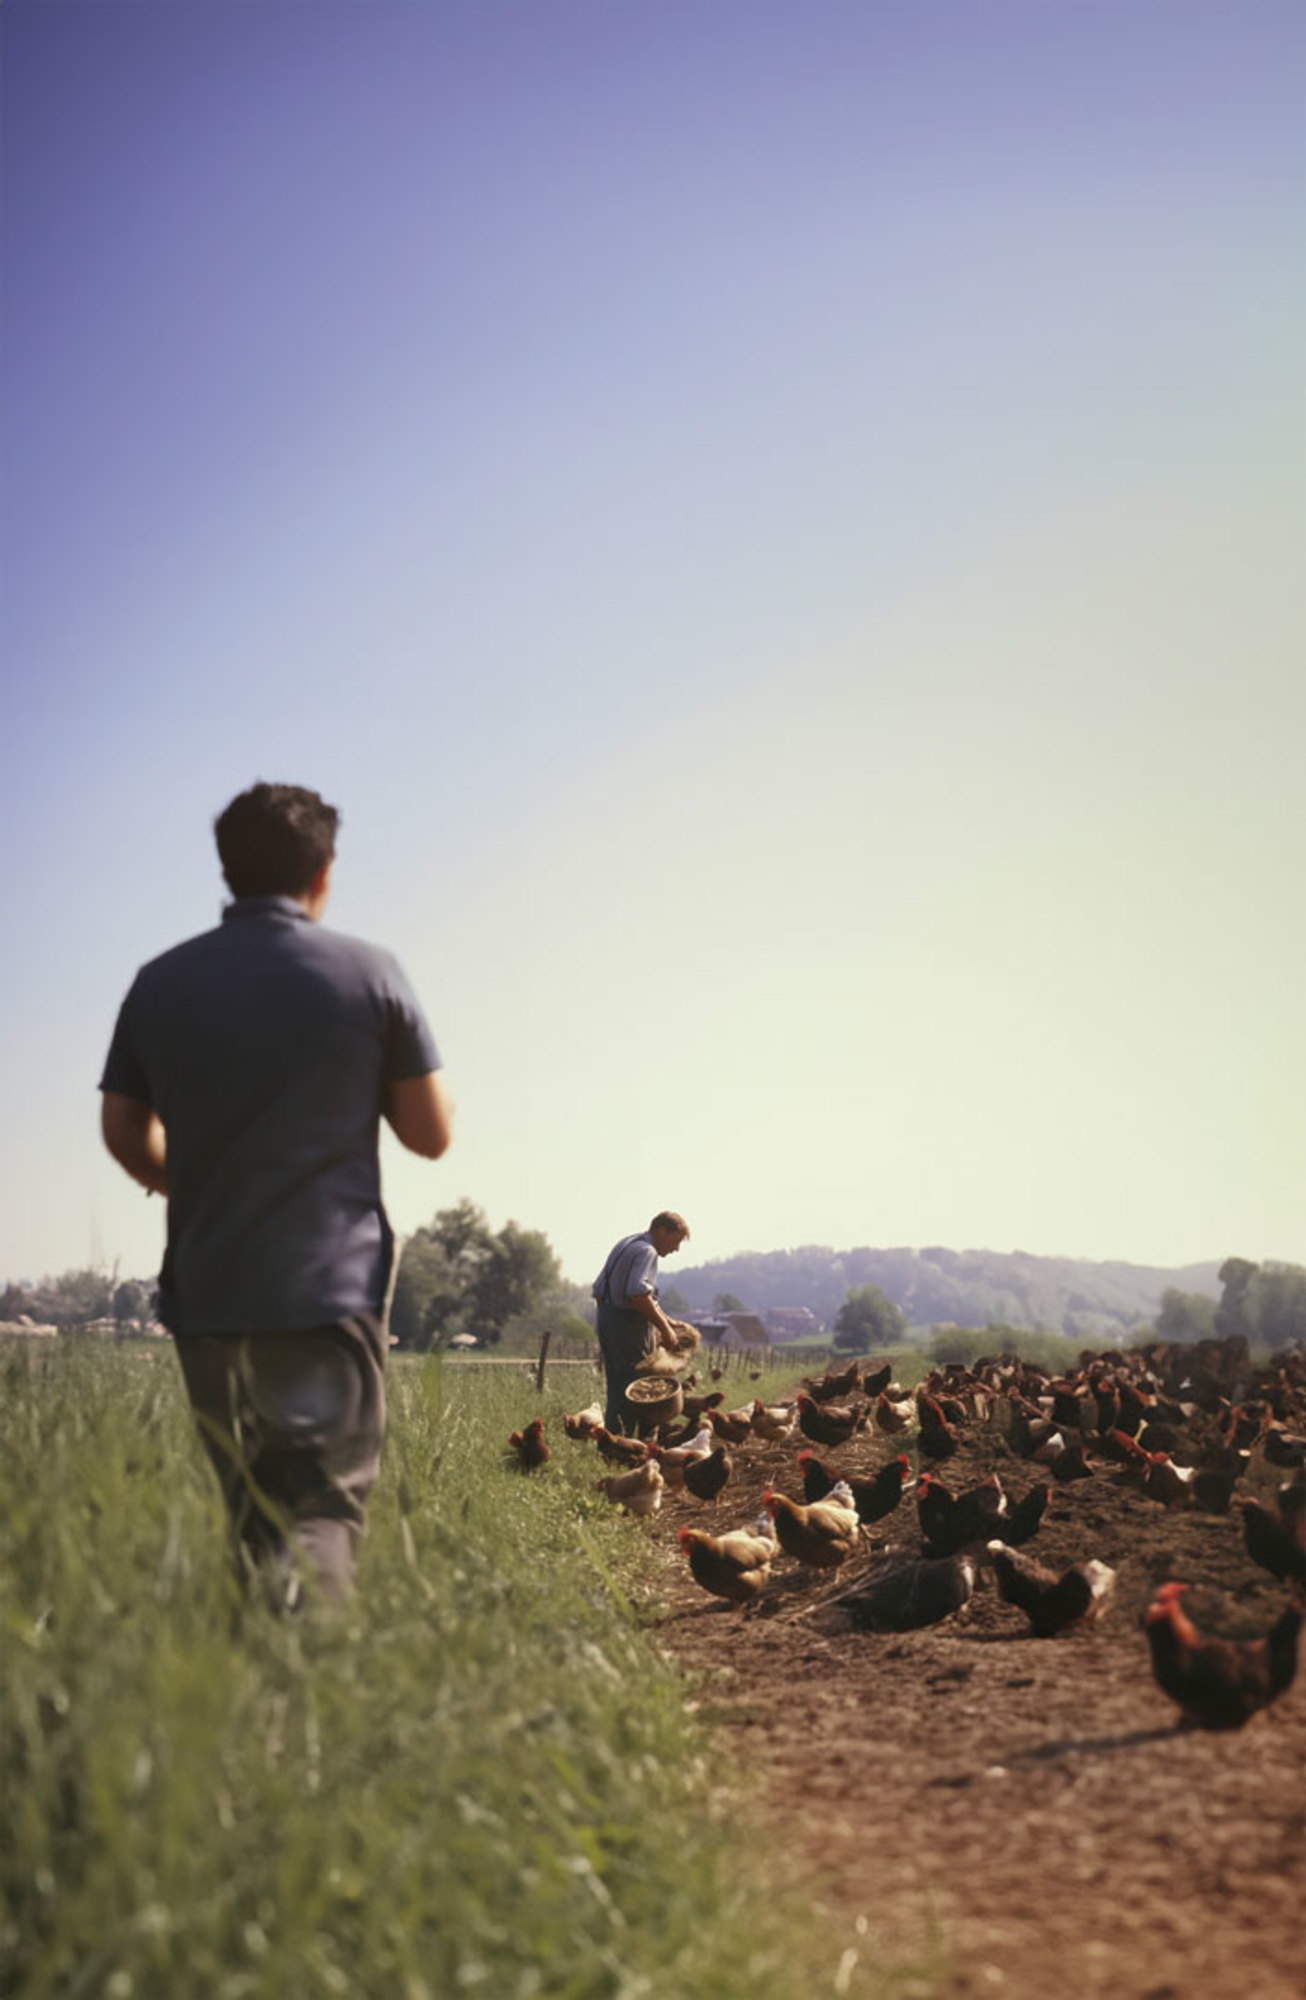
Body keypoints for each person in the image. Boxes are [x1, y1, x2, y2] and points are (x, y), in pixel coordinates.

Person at [99, 781, 452, 1607]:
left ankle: (253, 1708)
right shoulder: (370, 973)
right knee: (320, 1510)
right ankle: (309, 1708)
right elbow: (429, 1134)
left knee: (252, 1512)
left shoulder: (159, 982)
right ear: (323, 873)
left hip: (209, 1293)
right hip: (326, 1296)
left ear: (227, 873)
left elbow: (122, 1131)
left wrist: (184, 1176)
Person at [591, 1212, 691, 1432]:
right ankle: (633, 1444)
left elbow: (598, 1292)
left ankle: (614, 1442)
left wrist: (665, 1319)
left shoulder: (626, 1244)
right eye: (675, 1241)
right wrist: (665, 1331)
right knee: (639, 1388)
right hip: (629, 1327)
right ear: (662, 1231)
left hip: (609, 1320)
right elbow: (638, 1295)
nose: (676, 1249)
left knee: (617, 1387)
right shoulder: (648, 1251)